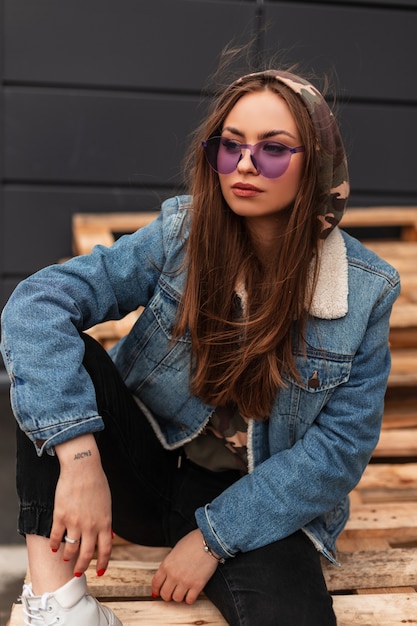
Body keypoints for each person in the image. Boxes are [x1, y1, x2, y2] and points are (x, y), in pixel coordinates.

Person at [0, 68, 400, 626]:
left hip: (259, 502)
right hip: (148, 469)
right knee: (58, 357)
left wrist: (211, 538)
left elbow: (338, 451)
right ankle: (60, 606)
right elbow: (38, 303)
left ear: (317, 166)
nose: (245, 164)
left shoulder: (363, 290)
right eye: (230, 146)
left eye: (274, 150)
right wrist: (81, 459)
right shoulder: (182, 233)